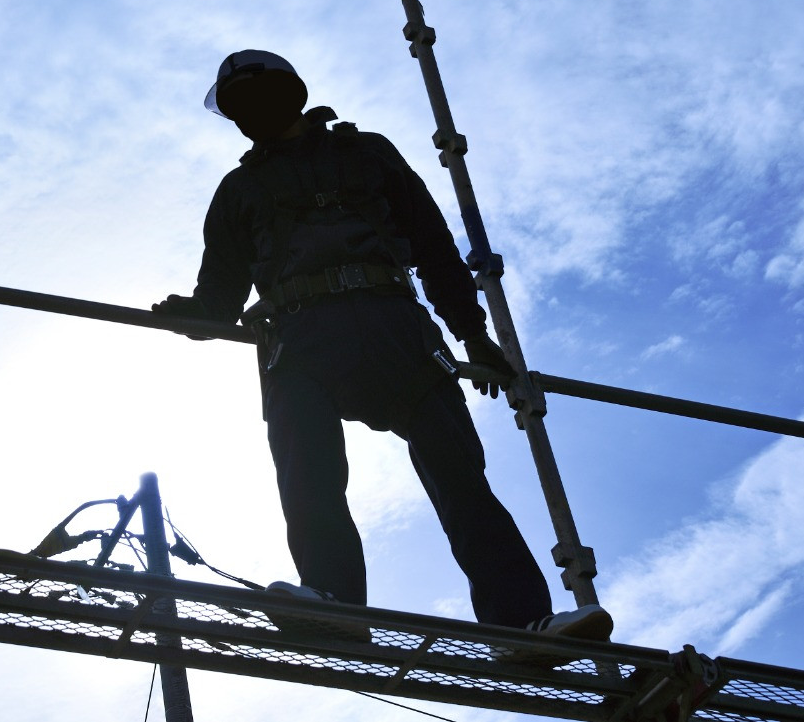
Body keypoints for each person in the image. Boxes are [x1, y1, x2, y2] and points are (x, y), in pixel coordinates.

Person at [154, 49, 610, 645]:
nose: (249, 115)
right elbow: (220, 293)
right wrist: (196, 315)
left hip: (396, 330)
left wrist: (473, 333)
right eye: (238, 108)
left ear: (291, 94)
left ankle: (520, 623)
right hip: (302, 341)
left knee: (462, 481)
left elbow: (434, 244)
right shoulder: (238, 190)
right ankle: (336, 603)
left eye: (256, 100)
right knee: (309, 475)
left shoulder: (367, 154)